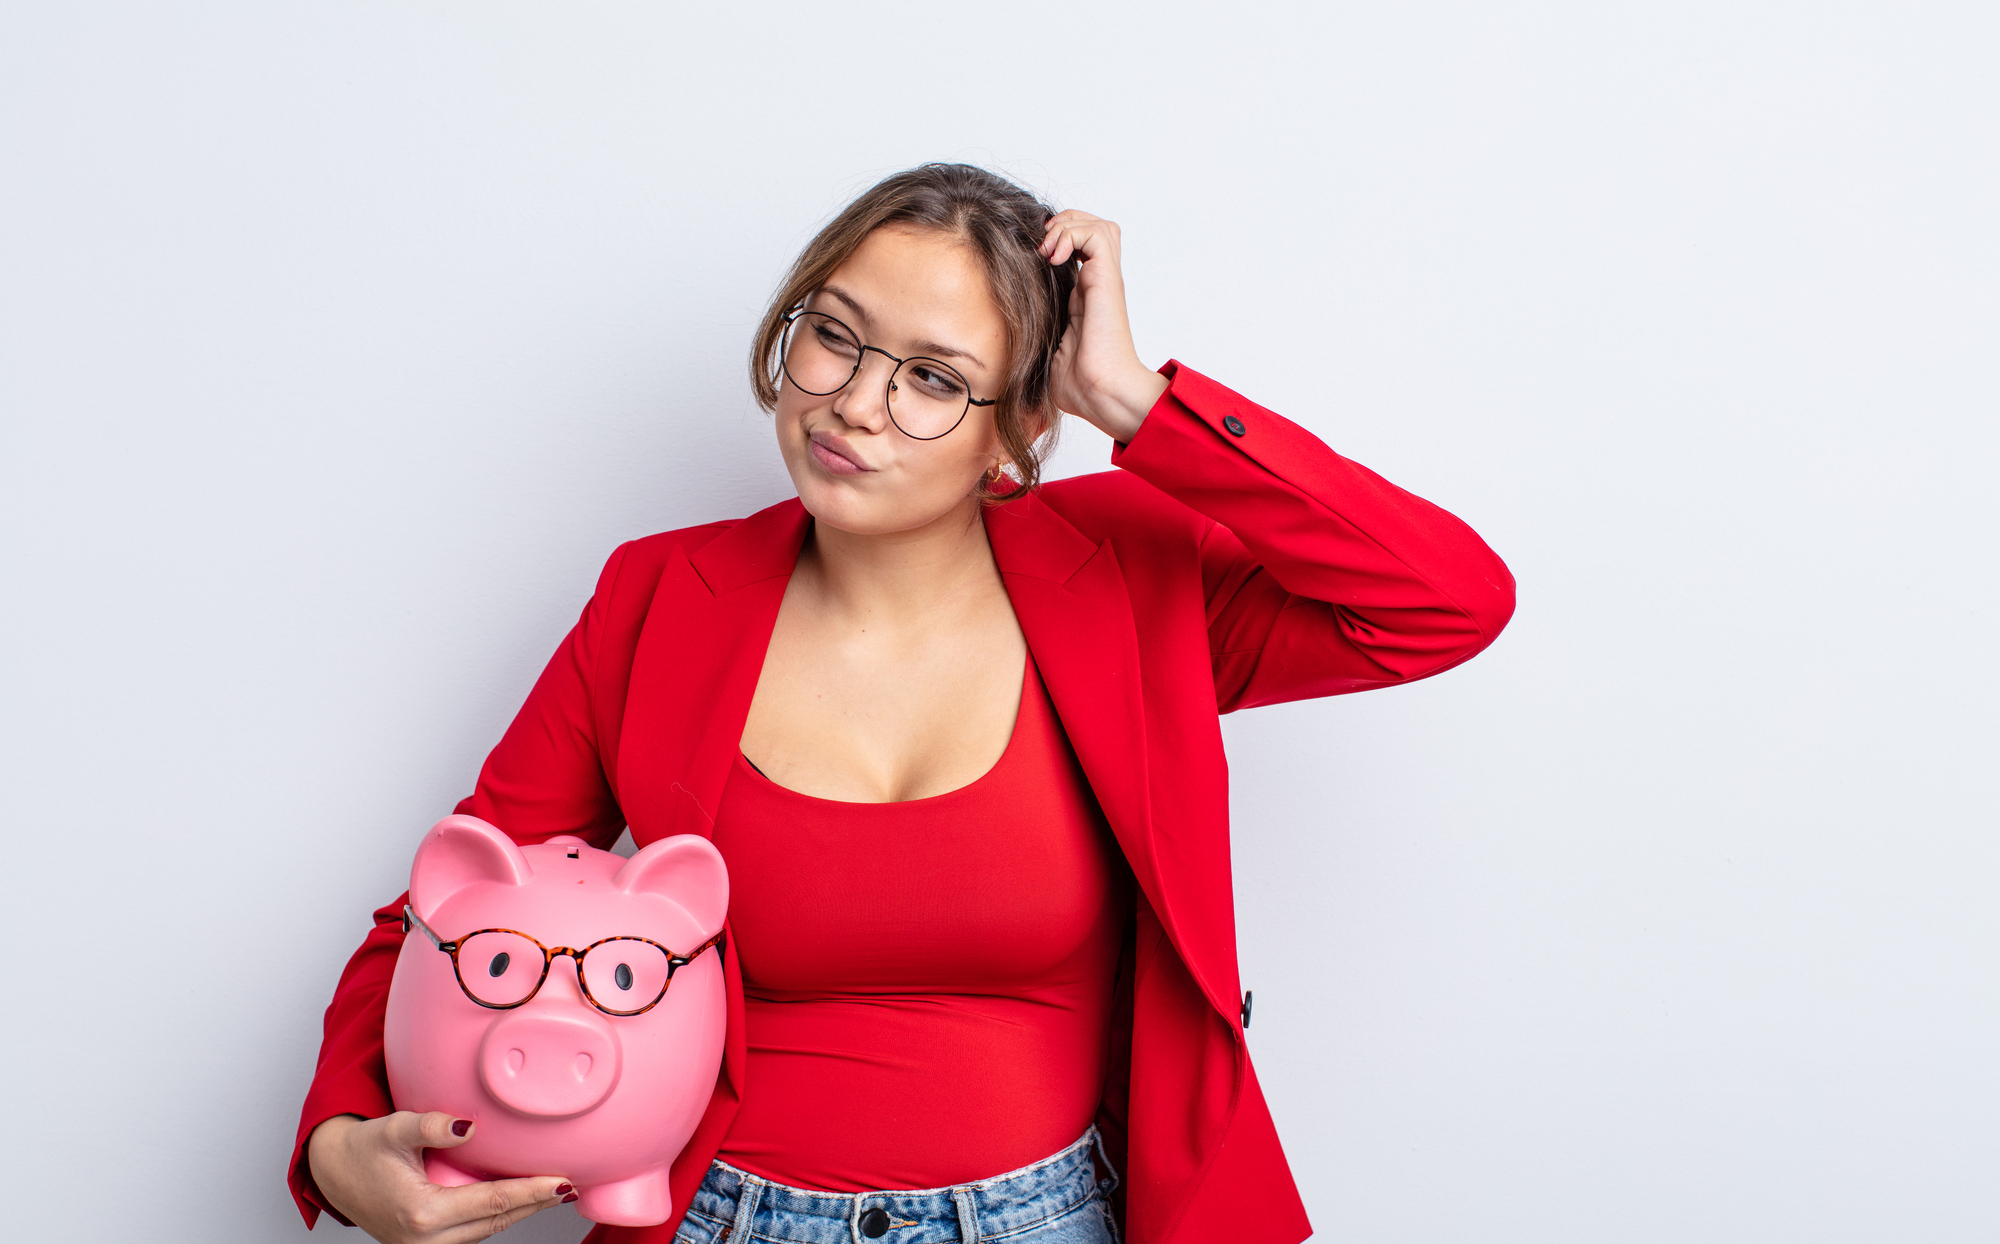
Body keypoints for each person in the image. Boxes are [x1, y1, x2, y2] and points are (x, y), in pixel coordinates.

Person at [291, 163, 1515, 1244]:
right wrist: (343, 1138)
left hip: (1050, 1216)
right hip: (721, 1216)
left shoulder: (1133, 582)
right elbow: (453, 900)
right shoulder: (662, 594)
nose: (857, 404)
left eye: (935, 378)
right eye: (835, 336)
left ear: (1021, 425)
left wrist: (1137, 400)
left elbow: (1442, 600)